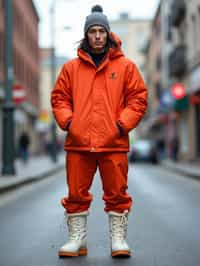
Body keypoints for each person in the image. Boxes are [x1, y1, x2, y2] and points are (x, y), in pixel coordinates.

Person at [51, 5, 148, 258]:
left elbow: (138, 98)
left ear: (107, 34)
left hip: (113, 142)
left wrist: (121, 125)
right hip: (79, 143)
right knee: (76, 194)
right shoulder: (71, 68)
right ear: (86, 35)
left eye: (101, 31)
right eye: (92, 31)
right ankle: (76, 240)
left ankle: (119, 240)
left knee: (117, 194)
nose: (97, 36)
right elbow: (59, 98)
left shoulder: (126, 67)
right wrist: (70, 123)